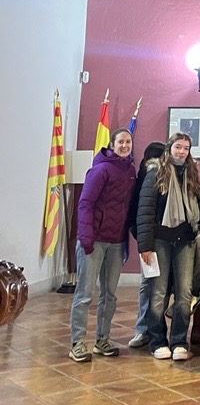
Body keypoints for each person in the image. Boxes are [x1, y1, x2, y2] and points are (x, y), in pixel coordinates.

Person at [137, 133, 200, 361]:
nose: (182, 151)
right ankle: (157, 341)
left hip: (185, 240)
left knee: (184, 293)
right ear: (169, 148)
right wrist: (145, 246)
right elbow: (145, 210)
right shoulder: (156, 172)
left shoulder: (191, 173)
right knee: (158, 293)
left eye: (186, 148)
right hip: (159, 241)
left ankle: (179, 341)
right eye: (178, 147)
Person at [69, 128, 136, 363]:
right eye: (121, 142)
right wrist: (86, 237)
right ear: (112, 145)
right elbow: (85, 203)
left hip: (116, 242)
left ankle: (102, 339)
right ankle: (77, 343)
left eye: (128, 142)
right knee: (85, 294)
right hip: (94, 241)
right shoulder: (100, 169)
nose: (125, 146)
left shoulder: (131, 170)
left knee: (109, 295)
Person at [127, 140, 166, 348]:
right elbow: (139, 211)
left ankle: (147, 329)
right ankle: (145, 329)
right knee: (150, 285)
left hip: (162, 239)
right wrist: (144, 239)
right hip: (151, 240)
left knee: (153, 286)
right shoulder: (147, 177)